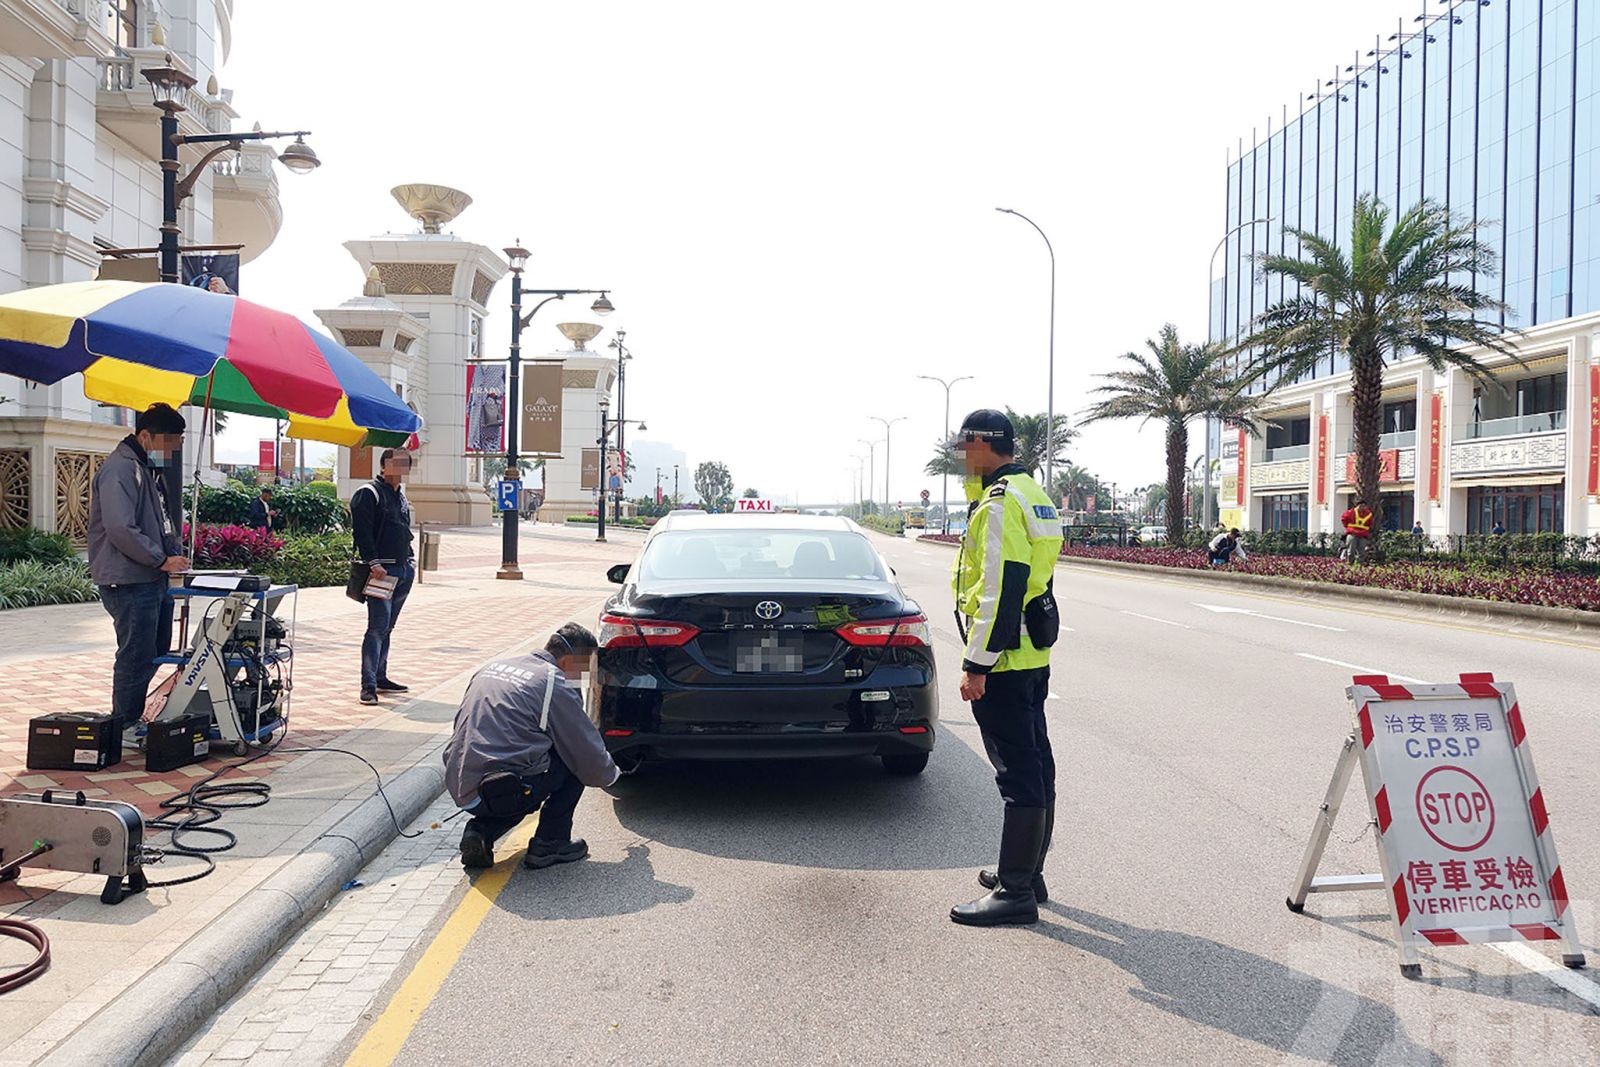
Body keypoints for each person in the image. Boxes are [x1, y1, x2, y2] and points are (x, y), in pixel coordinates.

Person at [950, 409, 1063, 927]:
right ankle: (1027, 873)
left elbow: (1002, 587)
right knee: (1036, 761)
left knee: (1017, 772)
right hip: (1031, 655)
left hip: (1005, 657)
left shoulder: (998, 503)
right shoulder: (1033, 494)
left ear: (982, 445)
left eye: (964, 449)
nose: (961, 460)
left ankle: (1015, 892)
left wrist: (977, 665)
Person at [443, 624, 620, 870]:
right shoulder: (553, 682)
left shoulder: (492, 666)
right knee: (572, 761)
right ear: (571, 660)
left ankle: (481, 832)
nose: (584, 678)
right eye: (585, 669)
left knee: (525, 775)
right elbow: (586, 751)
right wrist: (612, 775)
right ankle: (551, 843)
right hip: (503, 789)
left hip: (463, 785)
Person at [87, 404, 190, 732]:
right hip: (128, 580)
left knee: (155, 649)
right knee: (136, 654)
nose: (171, 452)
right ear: (146, 437)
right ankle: (125, 723)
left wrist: (174, 551)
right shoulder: (121, 469)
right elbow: (120, 528)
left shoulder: (146, 469)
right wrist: (159, 559)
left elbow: (157, 522)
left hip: (150, 579)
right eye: (169, 444)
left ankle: (132, 716)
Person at [351, 448, 416, 705]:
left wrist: (410, 560)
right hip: (381, 571)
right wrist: (374, 563)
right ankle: (368, 686)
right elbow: (362, 533)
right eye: (397, 463)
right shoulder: (369, 493)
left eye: (406, 464)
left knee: (388, 628)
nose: (402, 468)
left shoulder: (400, 496)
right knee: (376, 628)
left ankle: (381, 676)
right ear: (383, 466)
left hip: (402, 569)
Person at [1340, 497, 1376, 563]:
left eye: (1364, 506)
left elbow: (1370, 523)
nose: (1362, 507)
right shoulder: (1350, 512)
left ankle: (1360, 564)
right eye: (1361, 505)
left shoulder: (1368, 514)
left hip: (1363, 535)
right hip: (1352, 534)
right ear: (1357, 505)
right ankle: (1350, 563)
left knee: (1362, 551)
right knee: (1351, 551)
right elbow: (1344, 519)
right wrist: (1348, 528)